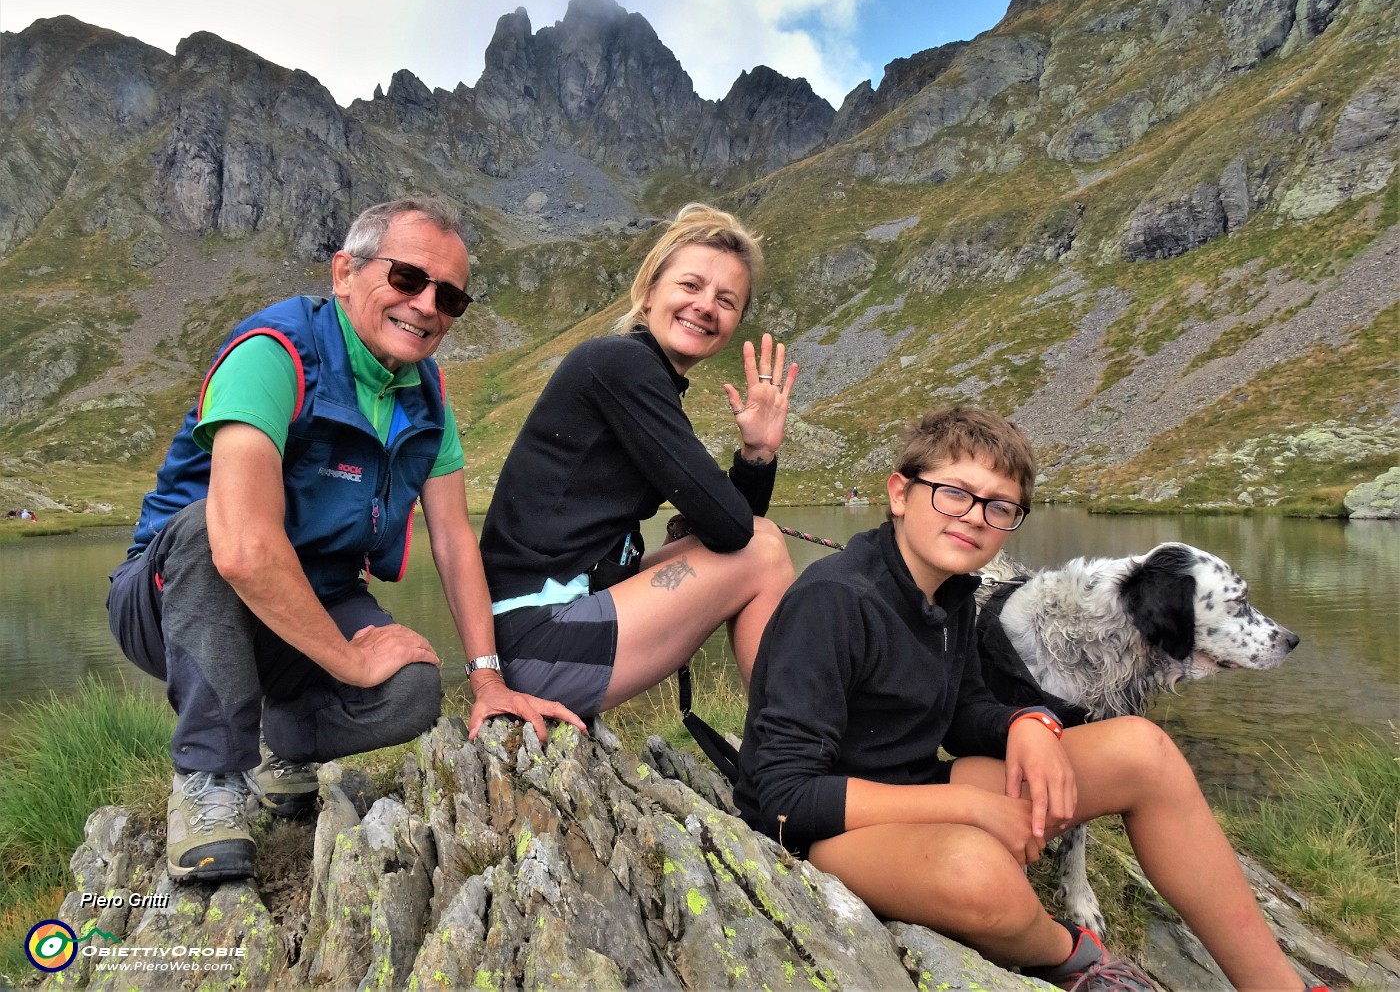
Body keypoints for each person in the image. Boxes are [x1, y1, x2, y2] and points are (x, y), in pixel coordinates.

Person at [735, 406, 1320, 992]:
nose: (973, 517)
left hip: (911, 787)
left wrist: (1028, 723)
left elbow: (962, 714)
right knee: (977, 870)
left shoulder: (950, 591)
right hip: (822, 834)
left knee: (1143, 750)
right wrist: (967, 807)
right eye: (953, 493)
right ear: (899, 493)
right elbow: (784, 794)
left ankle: (1280, 986)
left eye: (999, 507)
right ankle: (1074, 956)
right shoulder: (835, 599)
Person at [107, 197, 581, 883]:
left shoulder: (427, 397)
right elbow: (240, 548)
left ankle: (285, 747)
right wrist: (351, 662)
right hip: (168, 597)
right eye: (408, 279)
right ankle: (209, 778)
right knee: (207, 528)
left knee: (414, 689)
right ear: (345, 272)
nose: (426, 306)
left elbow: (452, 540)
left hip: (315, 596)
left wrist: (486, 677)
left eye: (450, 297)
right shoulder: (273, 355)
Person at [478, 202, 797, 725]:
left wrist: (757, 453)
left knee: (759, 545)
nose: (705, 306)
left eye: (726, 299)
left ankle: (785, 746)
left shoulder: (635, 371)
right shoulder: (622, 364)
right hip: (540, 639)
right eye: (690, 285)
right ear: (650, 292)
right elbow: (734, 530)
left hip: (548, 624)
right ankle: (791, 751)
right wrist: (742, 487)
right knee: (763, 551)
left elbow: (732, 525)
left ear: (736, 320)